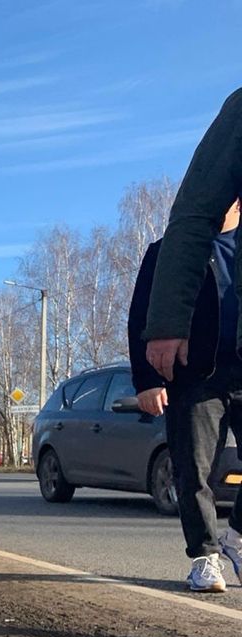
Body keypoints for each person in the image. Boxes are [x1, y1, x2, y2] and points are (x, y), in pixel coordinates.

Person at [132, 198, 242, 591]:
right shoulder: (170, 250)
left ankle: (236, 539)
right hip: (195, 374)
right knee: (193, 470)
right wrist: (146, 380)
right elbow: (143, 313)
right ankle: (204, 557)